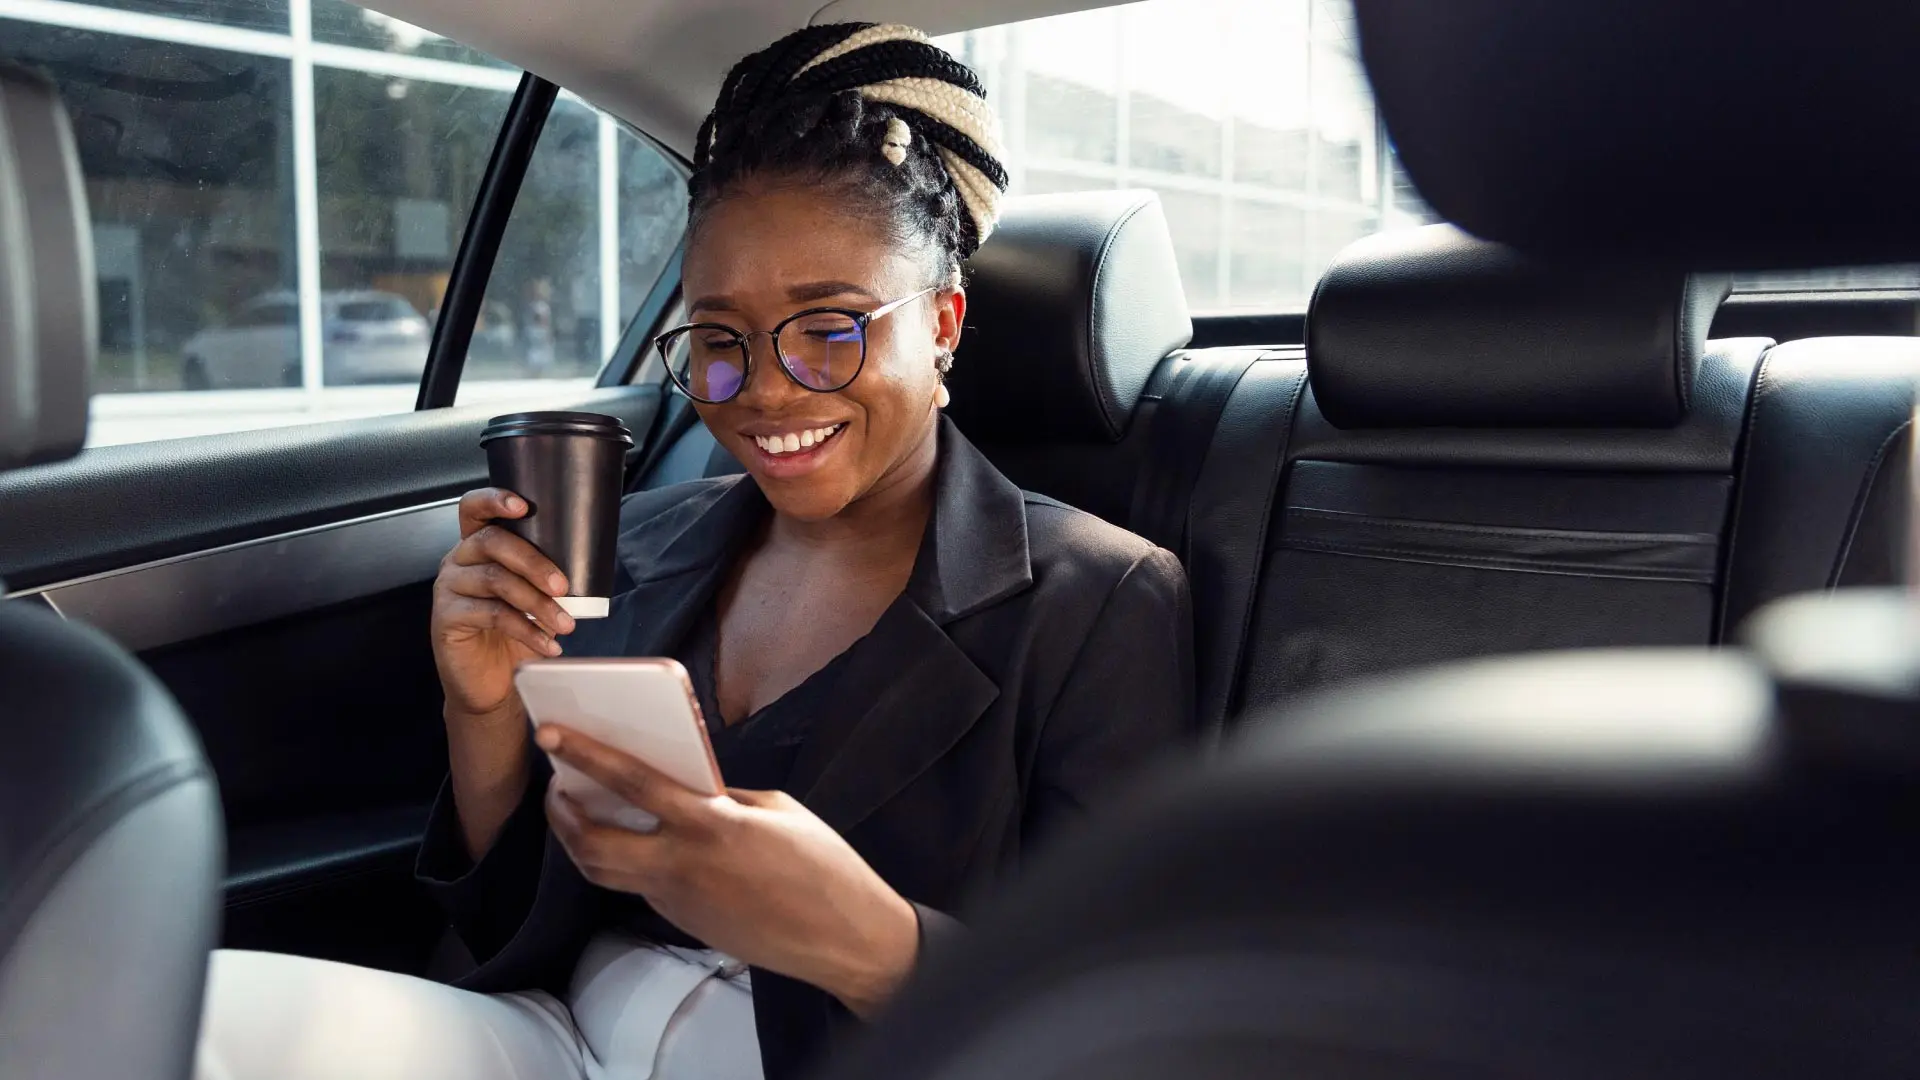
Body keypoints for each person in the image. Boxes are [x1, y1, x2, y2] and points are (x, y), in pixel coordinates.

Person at [194, 23, 1194, 1080]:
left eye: (831, 328)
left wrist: (870, 943)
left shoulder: (1102, 600)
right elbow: (509, 909)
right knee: (182, 1010)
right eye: (720, 341)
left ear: (942, 323)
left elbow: (1115, 1018)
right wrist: (483, 713)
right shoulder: (635, 540)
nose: (764, 388)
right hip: (560, 1034)